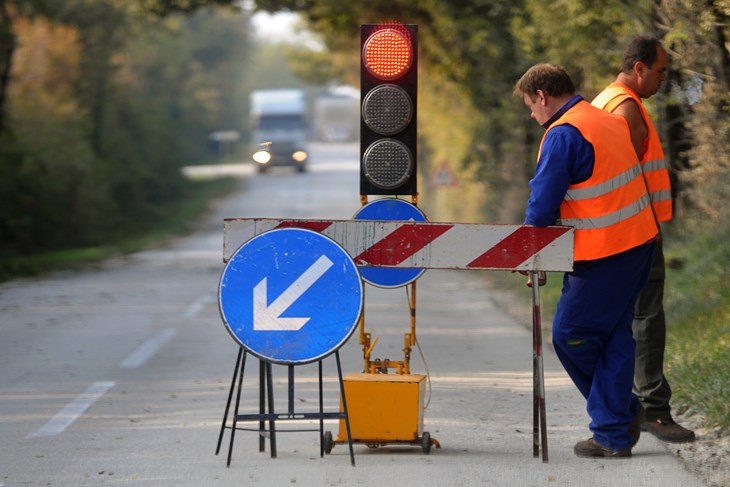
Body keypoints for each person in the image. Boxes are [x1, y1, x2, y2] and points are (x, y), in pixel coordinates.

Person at [514, 63, 658, 458]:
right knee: (614, 334)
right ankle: (613, 434)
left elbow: (542, 206)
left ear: (542, 96)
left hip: (605, 253)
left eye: (530, 105)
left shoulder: (563, 135)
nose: (532, 114)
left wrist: (531, 256)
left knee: (570, 335)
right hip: (639, 243)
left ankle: (622, 415)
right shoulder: (605, 118)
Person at [592, 36, 695, 443]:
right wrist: (642, 234)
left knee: (624, 320)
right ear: (639, 68)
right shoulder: (627, 108)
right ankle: (653, 409)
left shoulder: (603, 100)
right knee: (647, 319)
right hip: (636, 231)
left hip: (616, 232)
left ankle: (629, 409)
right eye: (660, 70)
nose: (662, 78)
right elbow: (628, 178)